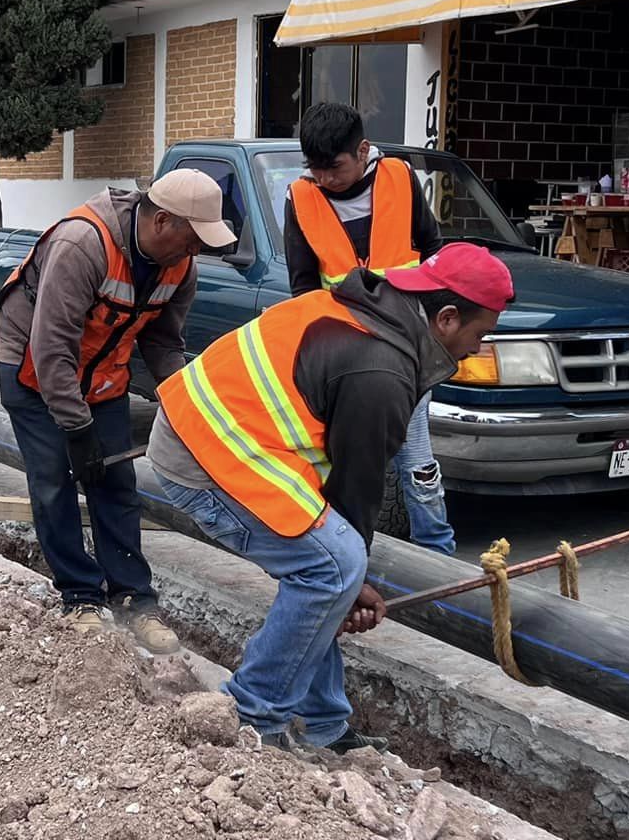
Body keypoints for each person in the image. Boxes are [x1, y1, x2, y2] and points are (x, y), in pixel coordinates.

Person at [148, 244, 511, 751]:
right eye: (480, 334)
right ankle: (252, 717)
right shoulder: (381, 372)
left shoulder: (378, 311)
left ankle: (324, 725)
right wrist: (351, 580)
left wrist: (346, 584)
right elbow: (356, 489)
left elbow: (343, 491)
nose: (478, 348)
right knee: (332, 566)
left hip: (219, 432)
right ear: (447, 318)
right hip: (205, 451)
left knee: (329, 569)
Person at [0, 170, 231, 653]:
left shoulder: (179, 267)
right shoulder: (83, 245)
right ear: (163, 221)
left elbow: (164, 343)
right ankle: (80, 597)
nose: (198, 251)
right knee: (55, 479)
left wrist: (184, 402)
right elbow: (52, 347)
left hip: (102, 376)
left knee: (116, 483)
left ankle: (133, 600)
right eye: (193, 239)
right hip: (33, 369)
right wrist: (77, 430)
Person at [284, 101, 454, 554]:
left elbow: (433, 252)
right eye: (314, 168)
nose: (324, 178)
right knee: (344, 460)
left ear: (362, 151)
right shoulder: (300, 197)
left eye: (333, 167)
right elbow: (303, 286)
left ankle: (437, 552)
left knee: (415, 456)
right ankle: (342, 554)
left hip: (405, 345)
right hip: (344, 356)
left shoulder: (400, 179)